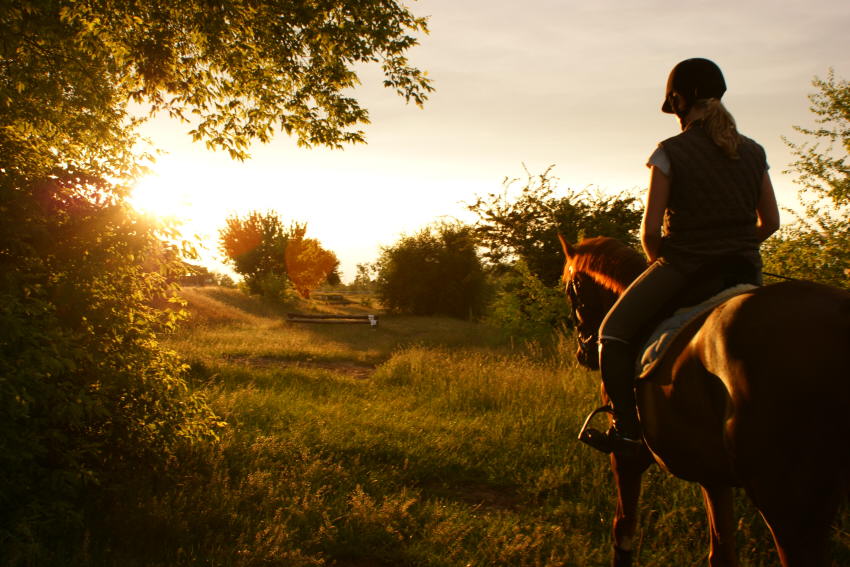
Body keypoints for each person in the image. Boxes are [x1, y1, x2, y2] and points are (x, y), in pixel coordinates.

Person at [592, 58, 781, 455]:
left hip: (685, 267)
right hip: (744, 270)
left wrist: (662, 263)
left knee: (612, 333)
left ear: (678, 100)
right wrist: (739, 245)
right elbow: (772, 222)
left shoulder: (669, 153)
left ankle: (627, 432)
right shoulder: (753, 151)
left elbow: (650, 232)